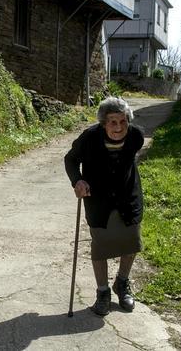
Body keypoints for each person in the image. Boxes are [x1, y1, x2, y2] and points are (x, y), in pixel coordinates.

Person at [64, 96, 144, 315]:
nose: (118, 127)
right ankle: (102, 292)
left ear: (128, 120)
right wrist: (77, 180)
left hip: (128, 196)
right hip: (98, 198)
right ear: (103, 123)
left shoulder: (136, 136)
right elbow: (70, 159)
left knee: (132, 240)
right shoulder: (89, 138)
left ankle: (122, 282)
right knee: (101, 245)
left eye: (123, 121)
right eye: (112, 122)